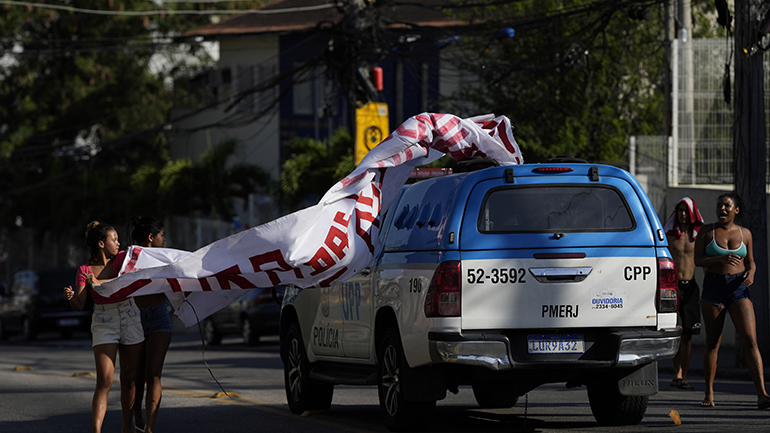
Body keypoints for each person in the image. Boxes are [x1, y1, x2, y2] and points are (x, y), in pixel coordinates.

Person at [64, 221, 144, 433]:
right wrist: (72, 297)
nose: (118, 243)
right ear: (101, 243)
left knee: (129, 380)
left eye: (118, 239)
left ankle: (127, 426)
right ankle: (96, 431)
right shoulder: (84, 270)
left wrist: (98, 283)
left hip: (130, 315)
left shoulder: (122, 259)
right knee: (105, 380)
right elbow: (80, 305)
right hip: (104, 321)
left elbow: (125, 280)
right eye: (114, 239)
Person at [694, 193, 770, 408]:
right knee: (713, 343)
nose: (722, 209)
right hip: (714, 287)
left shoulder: (745, 233)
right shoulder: (706, 231)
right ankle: (708, 393)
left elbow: (751, 261)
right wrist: (720, 258)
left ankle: (762, 394)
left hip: (738, 288)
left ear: (736, 210)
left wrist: (752, 272)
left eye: (727, 206)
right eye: (720, 205)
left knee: (751, 341)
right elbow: (698, 260)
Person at [126, 216, 172, 433]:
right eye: (162, 235)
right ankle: (136, 413)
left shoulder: (167, 257)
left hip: (160, 316)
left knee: (154, 373)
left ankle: (150, 428)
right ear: (151, 237)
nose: (165, 239)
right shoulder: (129, 257)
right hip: (135, 317)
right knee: (136, 377)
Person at [664, 197, 704, 390]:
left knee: (688, 334)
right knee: (676, 331)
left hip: (691, 288)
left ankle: (684, 375)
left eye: (686, 211)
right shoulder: (671, 235)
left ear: (692, 213)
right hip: (673, 288)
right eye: (679, 210)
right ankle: (677, 373)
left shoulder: (698, 236)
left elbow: (704, 264)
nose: (682, 214)